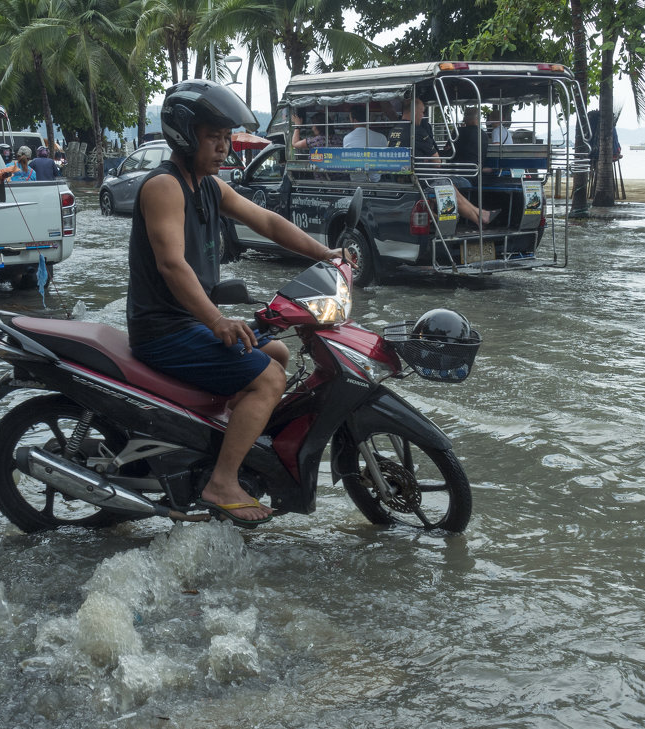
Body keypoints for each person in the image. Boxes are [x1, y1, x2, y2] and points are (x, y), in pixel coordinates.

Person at [127, 79, 351, 528]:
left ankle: (218, 442)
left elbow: (266, 221)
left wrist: (325, 254)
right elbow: (172, 266)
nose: (224, 148)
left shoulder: (207, 185)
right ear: (185, 136)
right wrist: (216, 320)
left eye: (227, 138)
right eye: (214, 138)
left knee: (279, 352)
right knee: (269, 379)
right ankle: (222, 481)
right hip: (164, 330)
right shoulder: (165, 187)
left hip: (186, 322)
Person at [388, 98, 500, 226]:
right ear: (414, 111)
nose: (423, 115)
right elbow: (437, 162)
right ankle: (480, 218)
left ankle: (480, 214)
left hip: (401, 179)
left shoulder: (393, 131)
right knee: (448, 185)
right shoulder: (417, 132)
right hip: (422, 181)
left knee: (448, 183)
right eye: (422, 112)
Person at [452, 107, 492, 174]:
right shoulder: (483, 135)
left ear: (465, 118)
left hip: (456, 171)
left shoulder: (457, 132)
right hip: (475, 172)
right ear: (478, 118)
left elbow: (447, 150)